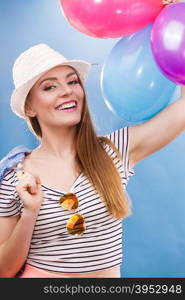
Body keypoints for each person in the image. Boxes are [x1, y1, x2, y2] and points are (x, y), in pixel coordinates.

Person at [0, 42, 185, 278]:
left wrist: (177, 37)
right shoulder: (16, 175)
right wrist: (29, 212)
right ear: (29, 107)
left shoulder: (115, 151)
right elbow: (4, 272)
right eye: (49, 87)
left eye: (73, 81)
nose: (67, 91)